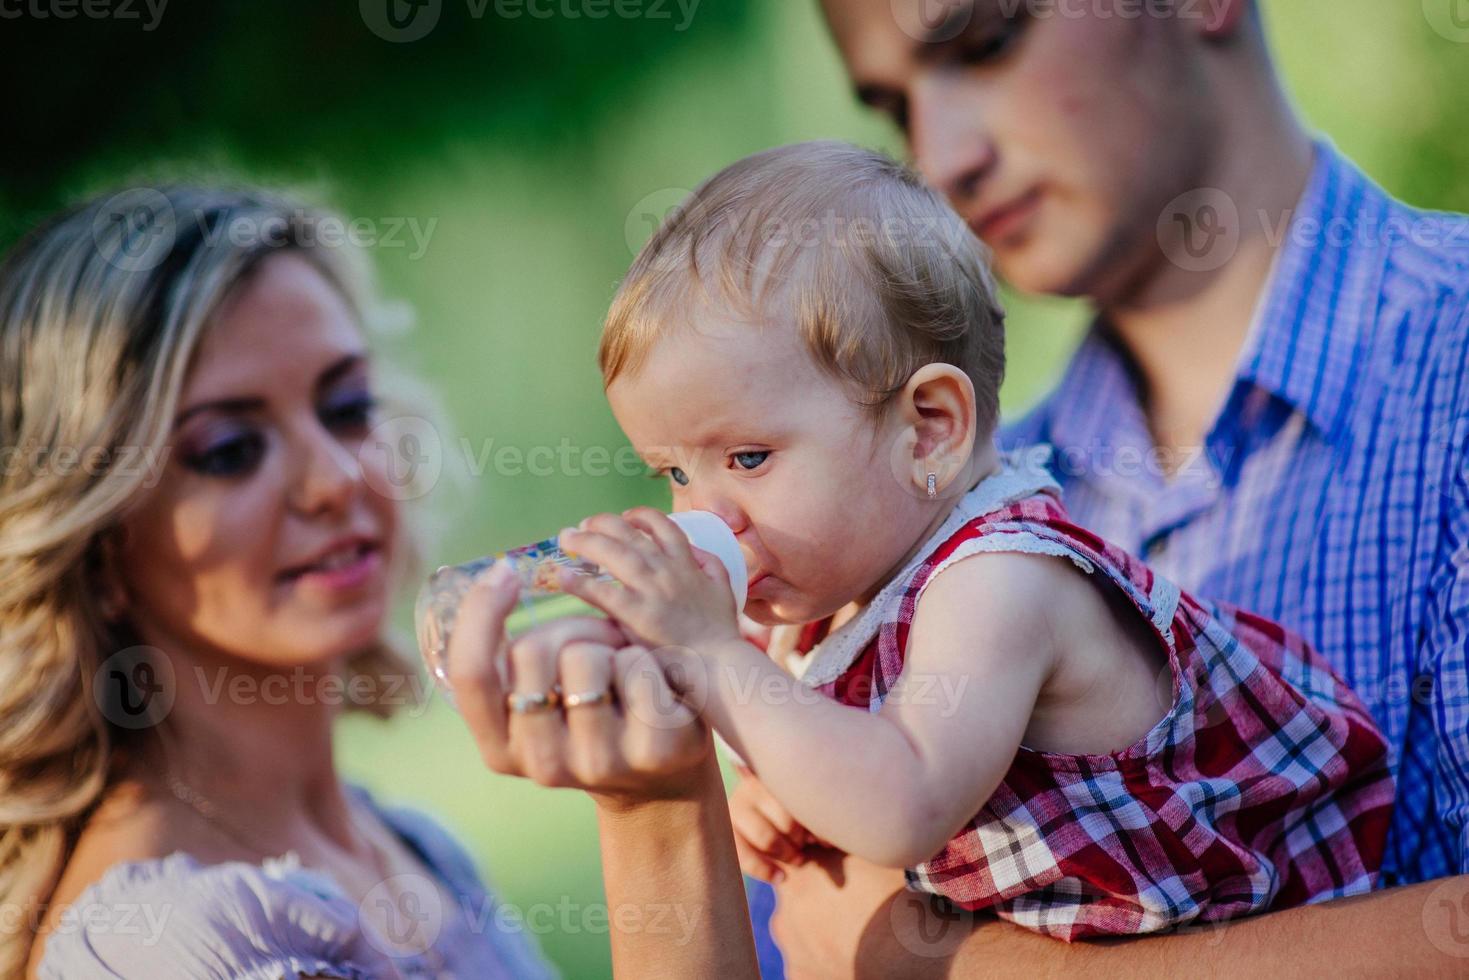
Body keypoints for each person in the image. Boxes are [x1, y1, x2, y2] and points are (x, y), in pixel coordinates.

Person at [747, 0, 1469, 973]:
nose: (941, 156)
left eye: (985, 43)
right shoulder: (910, 516)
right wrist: (651, 797)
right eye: (894, 106)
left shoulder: (1449, 368)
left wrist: (955, 962)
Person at [550, 138, 1394, 939]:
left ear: (927, 430)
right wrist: (772, 792)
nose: (708, 513)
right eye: (674, 472)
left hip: (1272, 932)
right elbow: (831, 768)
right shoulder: (821, 597)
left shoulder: (998, 581)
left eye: (747, 456)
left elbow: (900, 802)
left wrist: (714, 660)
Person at [0, 185, 753, 979]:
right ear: (99, 548)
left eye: (347, 406)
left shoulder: (415, 850)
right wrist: (655, 815)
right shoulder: (168, 946)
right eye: (228, 450)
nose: (336, 477)